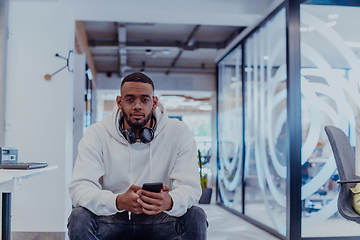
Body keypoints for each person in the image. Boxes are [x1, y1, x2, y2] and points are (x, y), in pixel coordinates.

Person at [67, 72, 208, 240]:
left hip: (160, 218)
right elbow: (80, 188)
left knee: (196, 214)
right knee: (79, 216)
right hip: (113, 218)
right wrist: (117, 201)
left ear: (154, 102)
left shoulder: (178, 132)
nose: (137, 106)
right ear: (119, 102)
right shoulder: (97, 133)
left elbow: (191, 188)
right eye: (130, 99)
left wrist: (170, 201)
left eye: (144, 99)